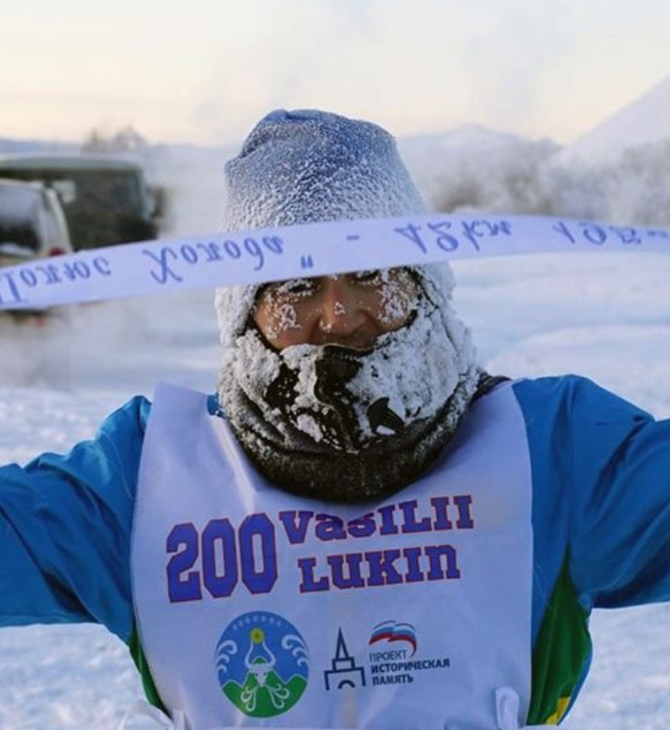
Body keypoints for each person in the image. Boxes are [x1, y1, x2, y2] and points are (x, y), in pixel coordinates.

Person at [1, 109, 670, 730]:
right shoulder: (148, 481)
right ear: (245, 313)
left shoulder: (551, 452)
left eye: (370, 272)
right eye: (297, 286)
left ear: (423, 284)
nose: (340, 314)